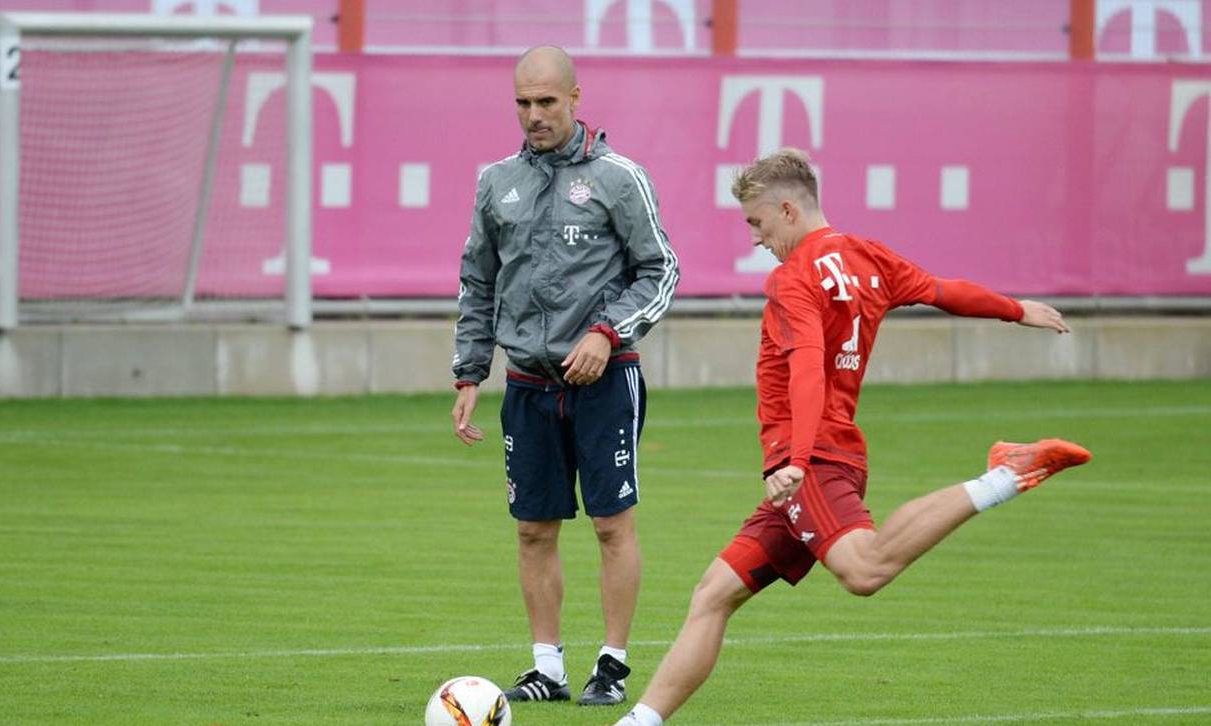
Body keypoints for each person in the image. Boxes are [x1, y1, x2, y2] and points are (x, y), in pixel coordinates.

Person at [614, 149, 1091, 726]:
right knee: (714, 594)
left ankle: (1004, 475)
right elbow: (943, 291)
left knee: (864, 570)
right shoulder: (867, 256)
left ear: (788, 209)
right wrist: (1015, 309)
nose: (756, 239)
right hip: (821, 458)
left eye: (757, 223)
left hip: (810, 463)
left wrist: (794, 459)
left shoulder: (792, 280)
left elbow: (808, 369)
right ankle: (638, 722)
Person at [451, 45, 679, 708]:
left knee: (612, 524)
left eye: (546, 102)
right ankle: (546, 669)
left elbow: (660, 270)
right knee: (532, 529)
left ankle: (611, 666)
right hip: (526, 384)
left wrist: (607, 334)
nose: (534, 115)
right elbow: (478, 281)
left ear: (576, 97)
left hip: (605, 382)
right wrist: (470, 369)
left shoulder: (618, 177)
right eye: (523, 103)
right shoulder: (497, 182)